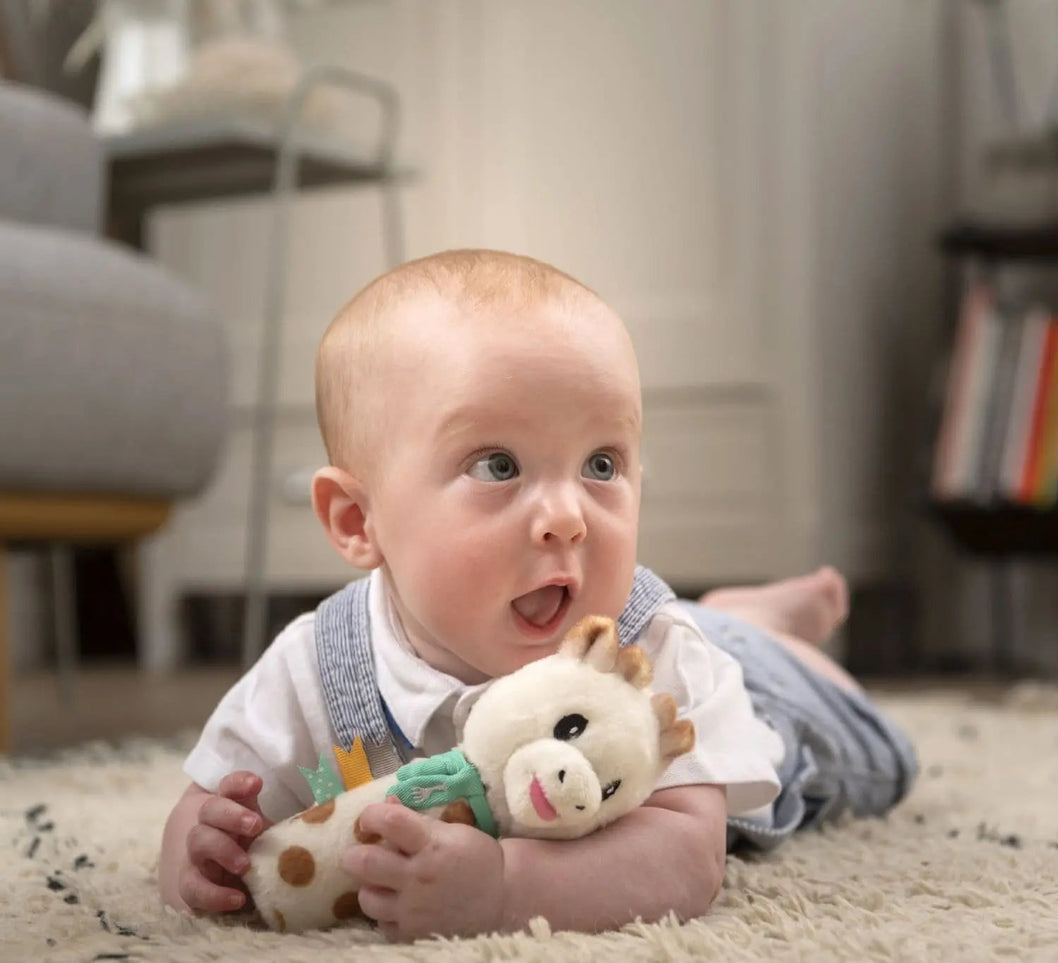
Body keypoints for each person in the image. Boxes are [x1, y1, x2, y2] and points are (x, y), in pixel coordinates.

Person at [157, 250, 916, 940]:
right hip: (698, 639)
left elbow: (689, 855)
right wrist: (204, 854)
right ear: (359, 521)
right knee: (721, 632)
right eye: (497, 465)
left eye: (601, 462)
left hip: (761, 691)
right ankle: (739, 613)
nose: (566, 516)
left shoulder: (650, 649)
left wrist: (507, 890)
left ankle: (763, 629)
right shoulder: (317, 667)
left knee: (876, 753)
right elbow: (202, 807)